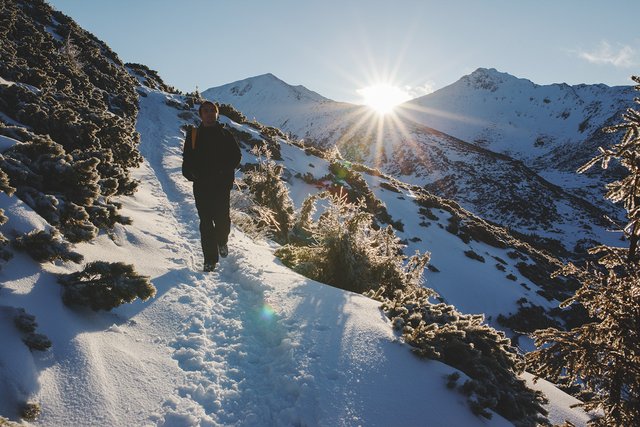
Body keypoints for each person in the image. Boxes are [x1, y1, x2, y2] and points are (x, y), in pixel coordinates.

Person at [182, 101, 242, 271]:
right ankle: (210, 260)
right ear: (201, 115)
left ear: (217, 114)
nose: (209, 113)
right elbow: (187, 157)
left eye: (212, 111)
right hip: (201, 186)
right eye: (206, 111)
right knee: (206, 222)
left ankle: (222, 241)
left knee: (222, 220)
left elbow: (236, 156)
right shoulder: (193, 135)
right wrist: (190, 173)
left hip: (221, 186)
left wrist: (225, 171)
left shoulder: (225, 135)